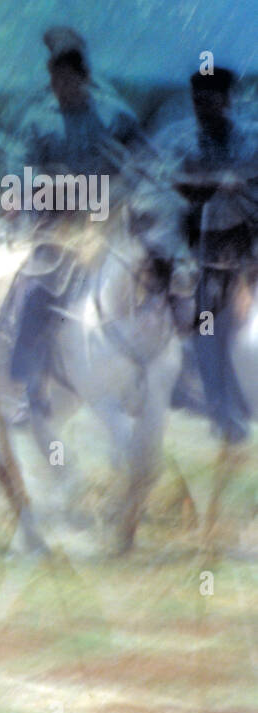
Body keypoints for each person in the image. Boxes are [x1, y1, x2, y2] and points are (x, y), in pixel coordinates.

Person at [3, 27, 147, 420]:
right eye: (55, 78)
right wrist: (38, 189)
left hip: (106, 221)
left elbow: (142, 161)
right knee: (37, 293)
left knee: (155, 277)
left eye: (68, 77)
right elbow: (17, 173)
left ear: (84, 77)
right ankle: (29, 390)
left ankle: (156, 375)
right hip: (57, 227)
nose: (60, 86)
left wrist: (122, 187)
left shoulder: (115, 115)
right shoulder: (37, 121)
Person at [154, 67, 258, 442]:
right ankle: (222, 412)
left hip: (249, 251)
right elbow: (174, 190)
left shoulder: (249, 143)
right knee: (207, 329)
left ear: (226, 101)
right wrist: (216, 184)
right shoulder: (185, 146)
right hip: (208, 260)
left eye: (211, 98)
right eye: (198, 99)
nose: (203, 106)